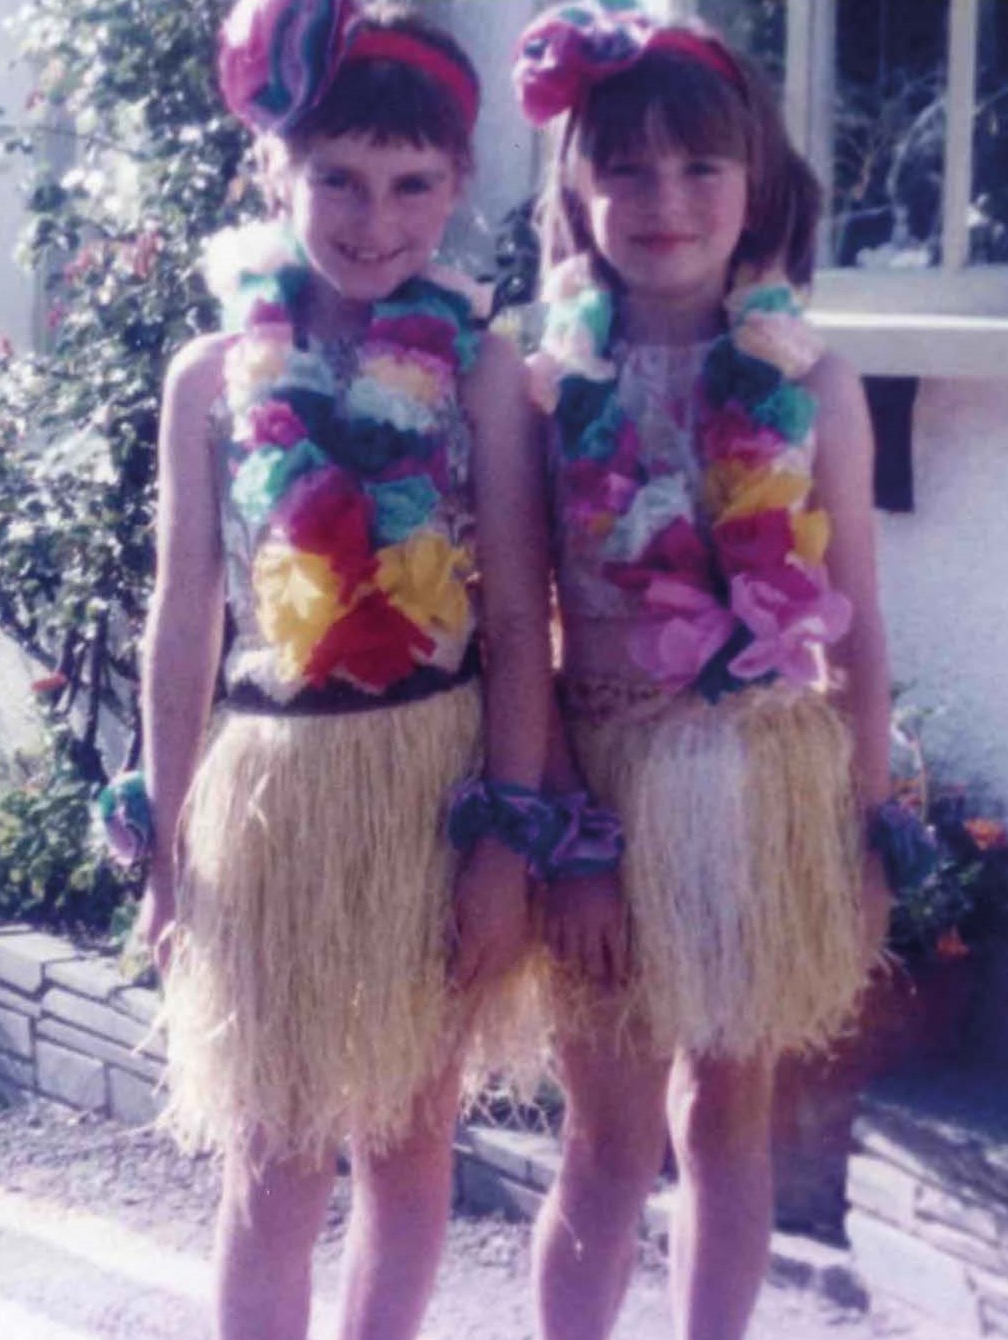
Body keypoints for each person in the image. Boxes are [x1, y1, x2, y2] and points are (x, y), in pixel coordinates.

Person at [106, 3, 555, 1337]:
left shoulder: (479, 368)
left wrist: (502, 847)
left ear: (457, 186)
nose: (375, 217)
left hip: (428, 786)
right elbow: (181, 619)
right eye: (337, 180)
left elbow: (521, 616)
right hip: (271, 794)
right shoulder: (207, 378)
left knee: (409, 1146)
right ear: (274, 176)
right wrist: (168, 847)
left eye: (412, 183)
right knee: (273, 1156)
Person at [511, 6, 894, 1339]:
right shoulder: (542, 390)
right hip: (603, 785)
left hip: (763, 780)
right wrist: (565, 837)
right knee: (608, 1136)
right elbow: (520, 626)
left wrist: (856, 837)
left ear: (758, 186)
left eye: (698, 167)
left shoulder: (816, 381)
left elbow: (857, 636)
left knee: (726, 1121)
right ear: (576, 190)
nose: (662, 199)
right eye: (624, 167)